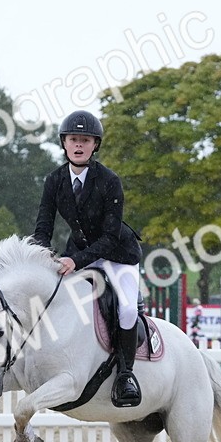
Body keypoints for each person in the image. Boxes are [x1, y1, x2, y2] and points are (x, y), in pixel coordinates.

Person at [30, 109, 143, 407]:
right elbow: (43, 226)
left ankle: (125, 375)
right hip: (79, 252)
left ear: (95, 145)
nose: (78, 145)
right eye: (73, 139)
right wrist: (41, 256)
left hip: (119, 255)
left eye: (85, 140)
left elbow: (109, 236)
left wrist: (76, 262)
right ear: (64, 143)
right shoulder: (54, 181)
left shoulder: (109, 180)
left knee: (128, 309)